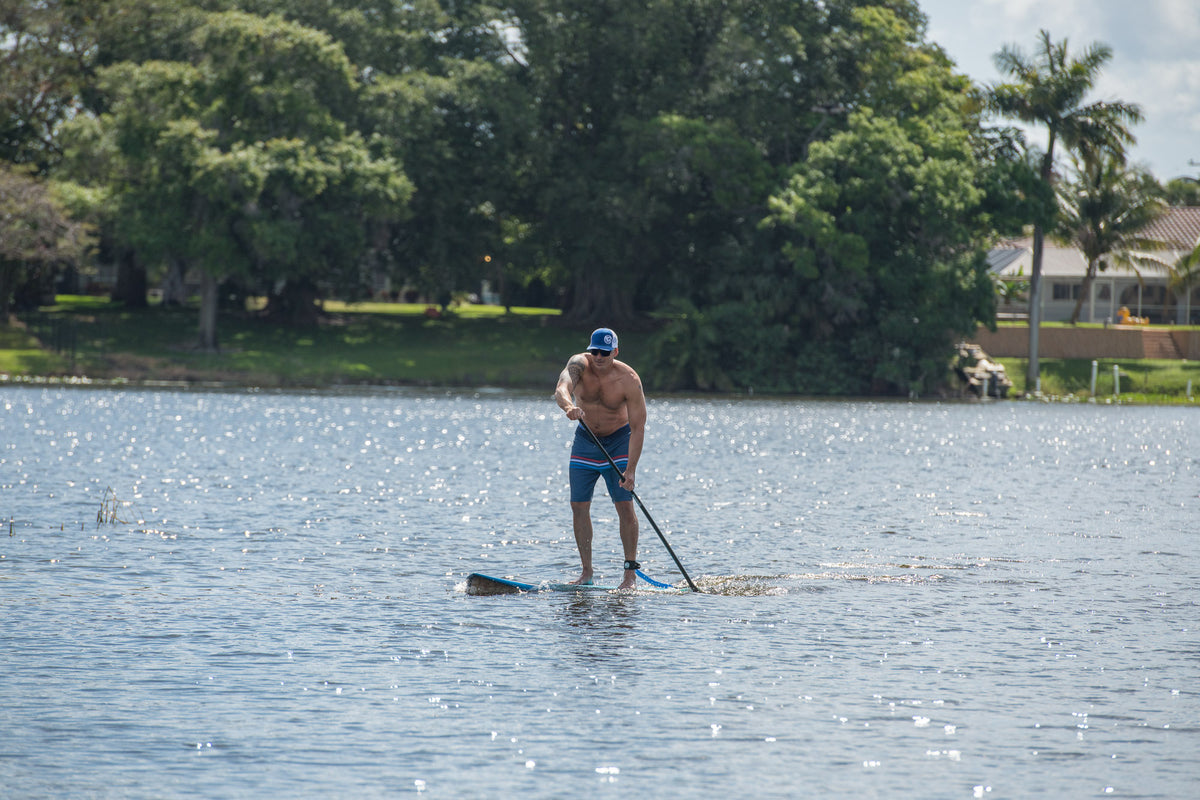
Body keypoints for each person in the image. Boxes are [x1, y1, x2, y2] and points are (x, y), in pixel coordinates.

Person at [554, 327, 646, 589]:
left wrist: (631, 470)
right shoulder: (578, 365)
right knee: (578, 506)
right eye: (594, 351)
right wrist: (569, 407)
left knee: (624, 506)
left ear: (615, 352)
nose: (598, 356)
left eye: (604, 352)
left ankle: (629, 576)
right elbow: (561, 389)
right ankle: (587, 573)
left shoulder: (629, 379)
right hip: (586, 441)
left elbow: (638, 427)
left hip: (618, 443)